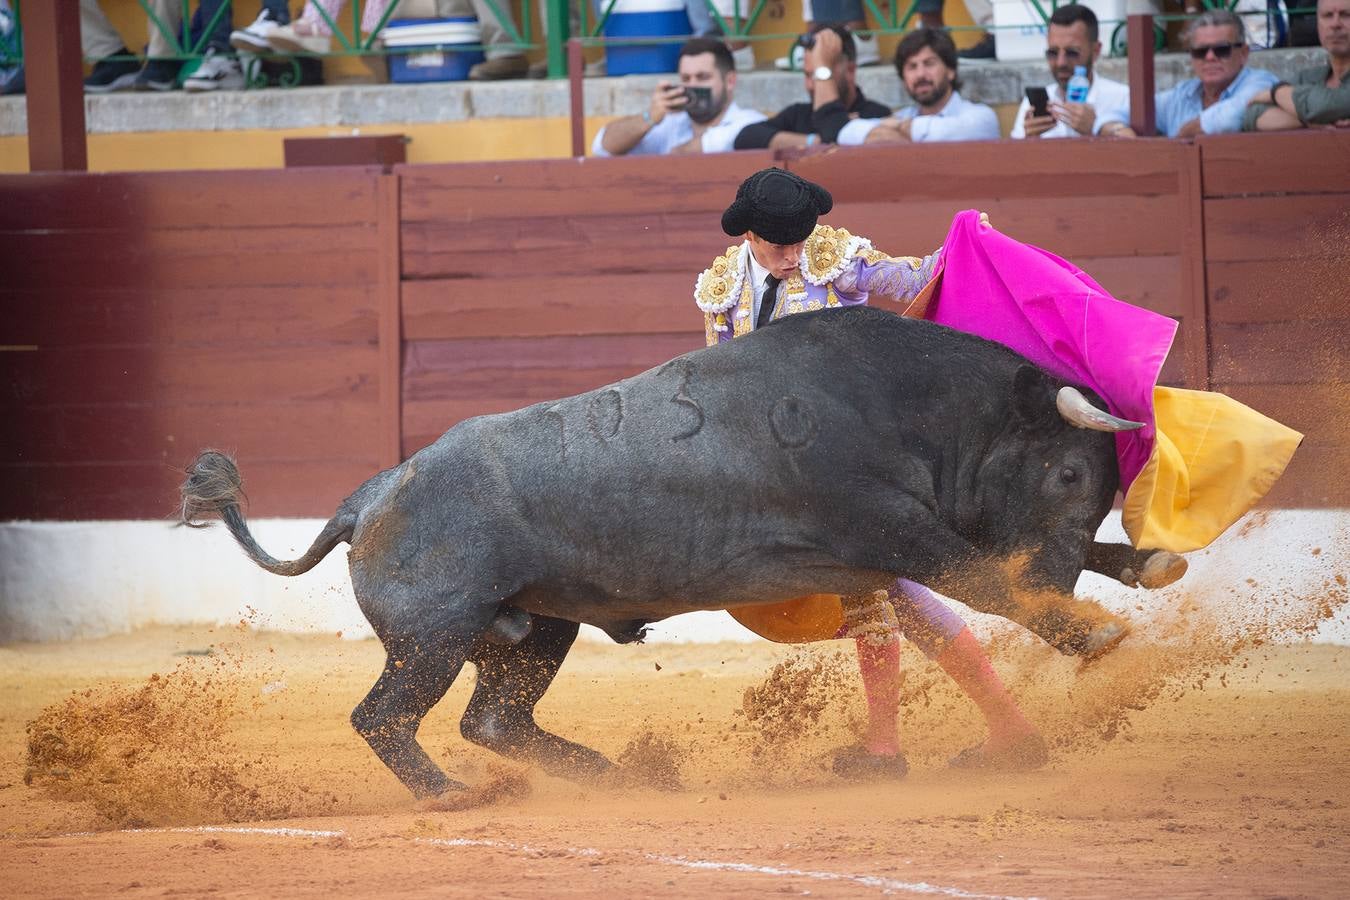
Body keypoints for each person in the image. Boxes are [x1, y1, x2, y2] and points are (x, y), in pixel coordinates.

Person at [695, 168, 1052, 775]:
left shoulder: (836, 260)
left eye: (799, 240)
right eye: (778, 244)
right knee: (890, 596)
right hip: (786, 472)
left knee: (873, 593)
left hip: (859, 463)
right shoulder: (721, 286)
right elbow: (719, 382)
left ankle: (891, 750)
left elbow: (920, 277)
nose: (792, 256)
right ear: (748, 234)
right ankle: (1006, 728)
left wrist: (973, 242)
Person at [1098, 10, 1279, 138]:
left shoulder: (1260, 82)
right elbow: (1116, 113)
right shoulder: (1181, 95)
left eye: (1221, 49)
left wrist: (1188, 132)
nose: (1210, 57)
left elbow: (1233, 115)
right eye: (1200, 51)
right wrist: (1117, 130)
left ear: (1243, 53)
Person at [592, 38, 766, 157]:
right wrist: (649, 118)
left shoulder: (751, 122)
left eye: (702, 77)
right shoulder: (669, 125)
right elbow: (602, 147)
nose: (693, 86)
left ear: (730, 81)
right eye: (686, 79)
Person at [733, 24, 890, 151]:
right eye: (808, 75)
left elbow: (833, 135)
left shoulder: (876, 114)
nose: (810, 85)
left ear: (850, 71)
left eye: (822, 73)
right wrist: (814, 141)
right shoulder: (797, 115)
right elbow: (746, 138)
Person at [839, 27, 999, 145]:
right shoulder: (901, 118)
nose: (921, 74)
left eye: (929, 63)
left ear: (950, 71)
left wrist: (893, 128)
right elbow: (846, 133)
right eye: (912, 67)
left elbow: (971, 129)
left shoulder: (980, 116)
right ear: (903, 78)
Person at [1011, 4, 1129, 140]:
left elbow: (1139, 156)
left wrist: (1097, 129)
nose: (1061, 63)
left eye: (1072, 53)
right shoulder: (1031, 105)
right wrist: (1028, 142)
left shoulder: (1122, 99)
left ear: (1096, 51)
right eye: (1053, 53)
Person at [1243, 0, 1350, 131]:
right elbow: (1252, 114)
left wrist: (1275, 93)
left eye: (1346, 15)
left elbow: (1332, 106)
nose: (1335, 24)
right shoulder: (1306, 78)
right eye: (1327, 15)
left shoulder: (1285, 89)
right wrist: (1310, 121)